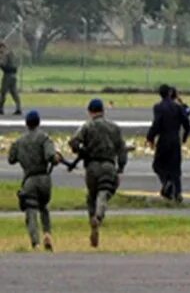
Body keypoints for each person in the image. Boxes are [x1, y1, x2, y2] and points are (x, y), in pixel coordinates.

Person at [69, 99, 127, 248]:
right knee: (105, 191)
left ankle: (92, 220)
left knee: (91, 196)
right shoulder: (114, 128)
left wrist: (81, 151)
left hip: (92, 167)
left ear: (90, 112)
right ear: (103, 111)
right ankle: (99, 216)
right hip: (108, 165)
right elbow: (122, 149)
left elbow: (74, 143)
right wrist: (120, 168)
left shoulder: (87, 126)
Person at [8, 111, 60, 250]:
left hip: (29, 180)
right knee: (44, 207)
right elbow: (50, 156)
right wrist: (57, 159)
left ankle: (35, 242)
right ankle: (47, 233)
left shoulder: (19, 142)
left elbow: (11, 159)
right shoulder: (44, 138)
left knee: (31, 211)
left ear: (26, 124)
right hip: (44, 179)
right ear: (38, 122)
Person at [146, 84, 190, 202]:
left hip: (164, 139)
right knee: (175, 167)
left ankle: (167, 182)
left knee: (158, 165)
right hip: (175, 140)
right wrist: (185, 137)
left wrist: (150, 137)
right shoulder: (178, 107)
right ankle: (178, 193)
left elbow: (156, 124)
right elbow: (187, 123)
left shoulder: (158, 107)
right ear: (170, 93)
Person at [0, 41, 22, 115]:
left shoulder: (5, 55)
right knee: (14, 92)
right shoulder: (12, 54)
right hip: (14, 75)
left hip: (7, 75)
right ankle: (18, 108)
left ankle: (1, 108)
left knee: (3, 92)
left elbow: (3, 64)